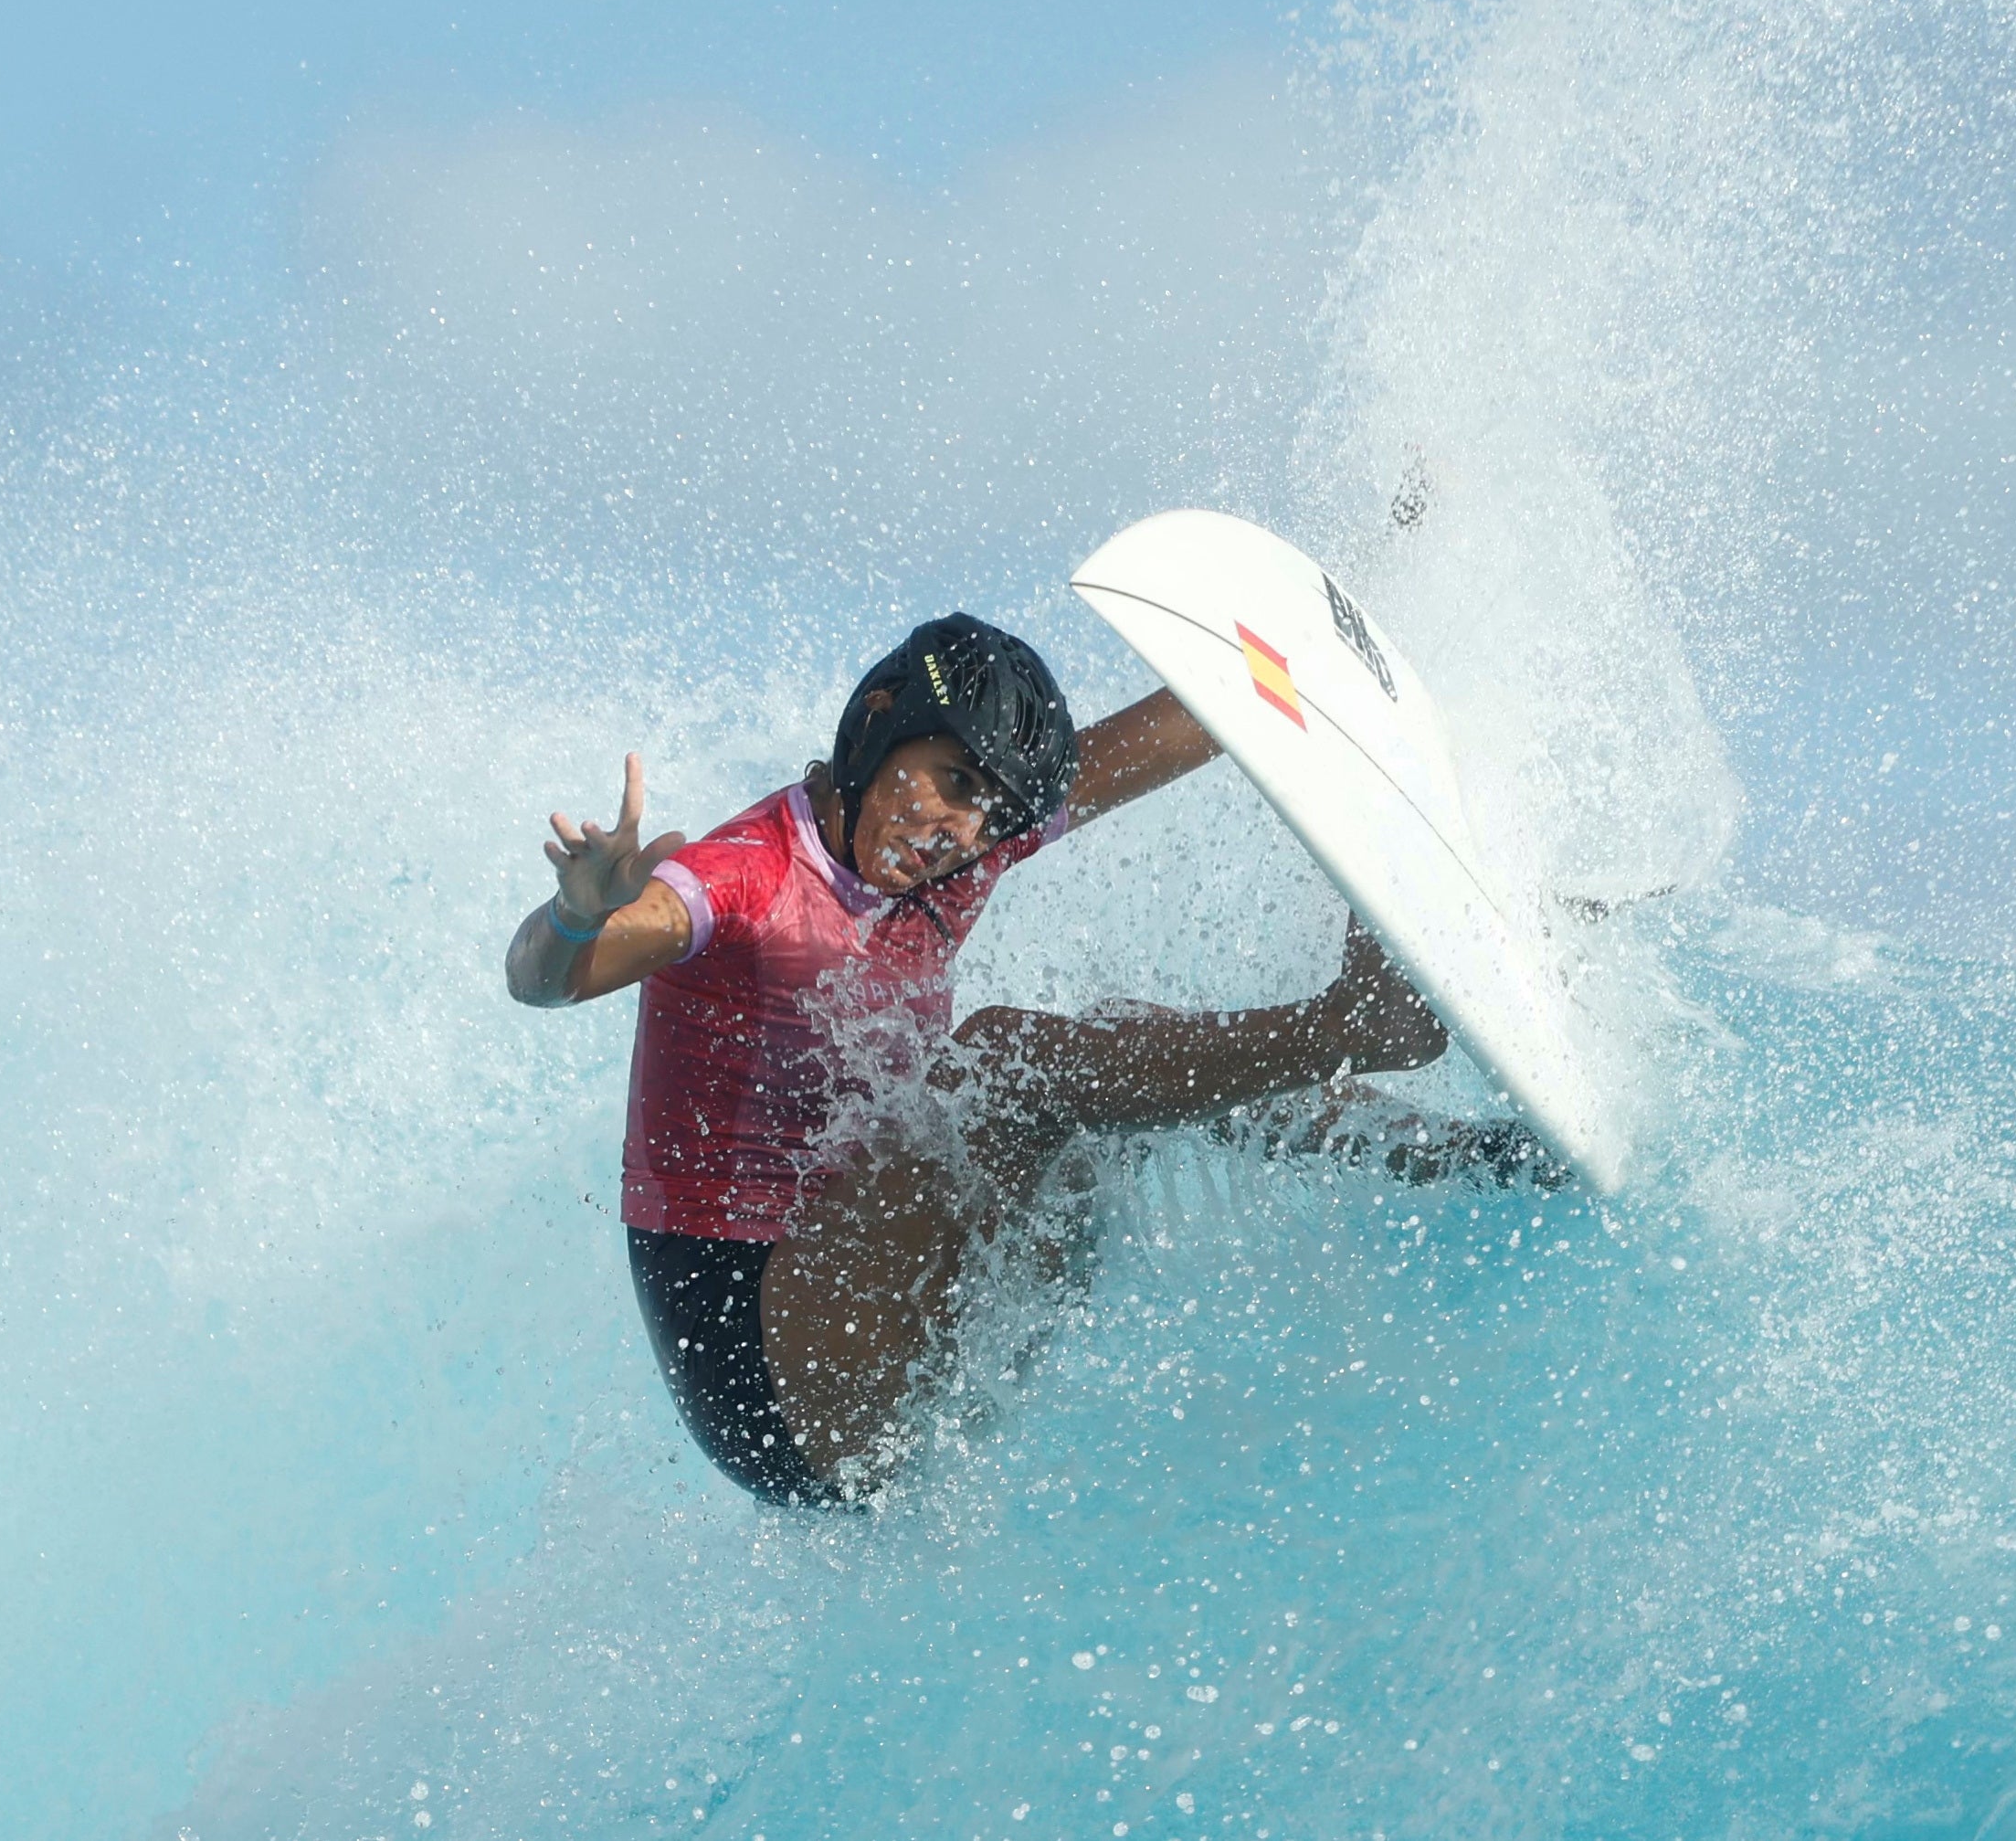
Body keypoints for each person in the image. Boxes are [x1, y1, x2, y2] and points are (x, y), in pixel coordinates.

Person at [506, 613, 1521, 1507]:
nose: (956, 826)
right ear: (885, 718)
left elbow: (1207, 716)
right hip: (769, 1386)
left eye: (986, 804)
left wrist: (1326, 640)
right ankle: (1357, 1021)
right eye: (948, 779)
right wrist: (573, 912)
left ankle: (1458, 1155)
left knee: (1121, 1048)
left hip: (893, 1310)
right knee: (1007, 1061)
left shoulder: (963, 841)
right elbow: (545, 978)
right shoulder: (744, 877)